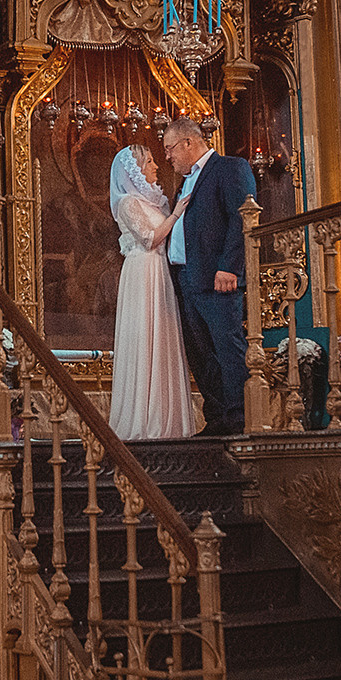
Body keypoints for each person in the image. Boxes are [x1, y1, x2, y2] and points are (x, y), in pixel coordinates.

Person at [163, 116, 256, 435]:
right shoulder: (185, 181)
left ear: (189, 142)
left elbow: (242, 218)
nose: (167, 156)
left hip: (218, 278)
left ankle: (240, 417)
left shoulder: (230, 168)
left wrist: (230, 266)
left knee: (227, 347)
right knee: (200, 352)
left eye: (170, 148)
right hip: (186, 279)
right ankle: (217, 418)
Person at [106, 144, 194, 440]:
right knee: (145, 335)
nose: (156, 166)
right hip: (142, 271)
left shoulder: (157, 203)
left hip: (161, 272)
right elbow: (149, 238)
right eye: (150, 162)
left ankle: (168, 419)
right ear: (135, 171)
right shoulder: (128, 203)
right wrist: (176, 214)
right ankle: (143, 419)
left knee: (163, 336)